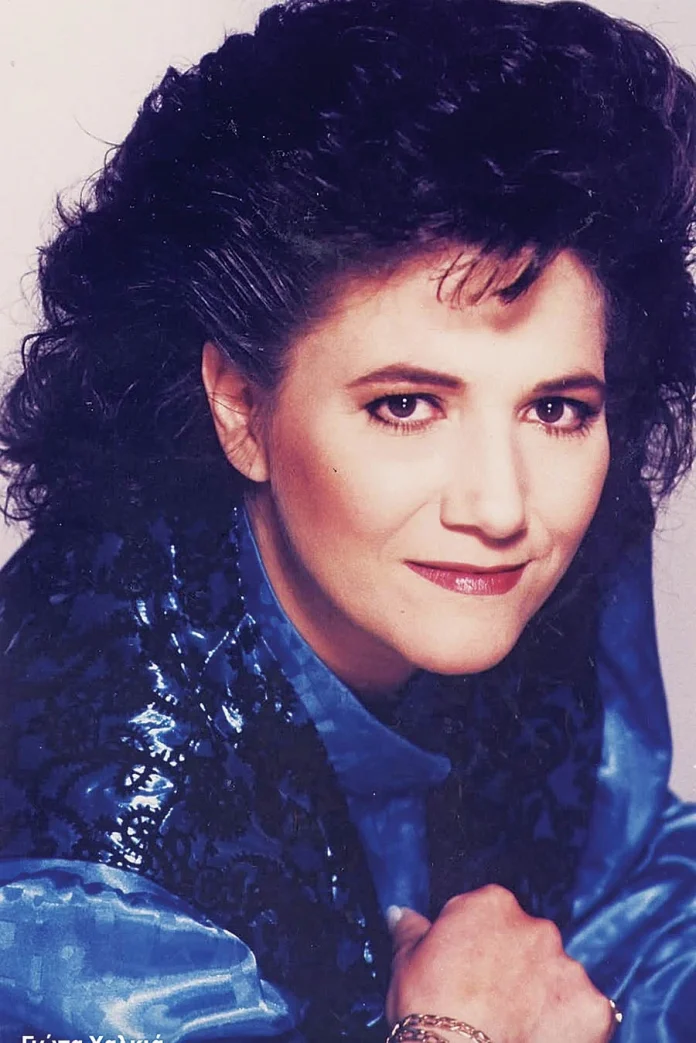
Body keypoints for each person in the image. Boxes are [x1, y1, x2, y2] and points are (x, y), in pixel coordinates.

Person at [0, 0, 694, 1040]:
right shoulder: (83, 868)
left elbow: (638, 891)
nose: (501, 506)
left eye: (555, 408)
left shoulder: (548, 540)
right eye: (406, 405)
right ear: (242, 407)